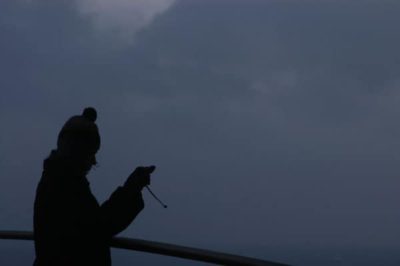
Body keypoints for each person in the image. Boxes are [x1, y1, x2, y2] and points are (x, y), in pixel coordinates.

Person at [33, 107, 154, 266]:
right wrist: (132, 189)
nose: (93, 161)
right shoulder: (66, 185)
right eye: (91, 154)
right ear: (80, 152)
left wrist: (130, 189)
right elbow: (98, 228)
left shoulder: (54, 178)